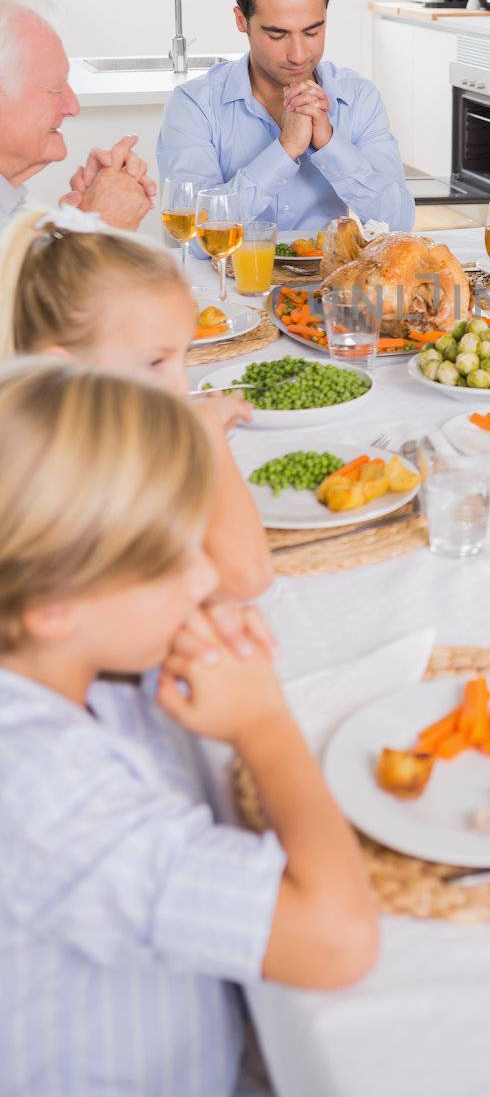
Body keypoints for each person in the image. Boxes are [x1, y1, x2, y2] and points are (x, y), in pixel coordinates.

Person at [0, 359, 378, 1096]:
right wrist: (263, 723)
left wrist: (173, 616)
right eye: (171, 561)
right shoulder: (45, 793)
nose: (205, 581)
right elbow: (338, 944)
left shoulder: (65, 657)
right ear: (52, 607)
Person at [0, 209, 272, 600]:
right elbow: (245, 575)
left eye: (184, 356)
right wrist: (207, 434)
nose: (181, 386)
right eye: (155, 362)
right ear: (63, 371)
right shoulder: (65, 481)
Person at [157, 0, 415, 233]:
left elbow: (399, 221)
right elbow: (193, 234)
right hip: (225, 277)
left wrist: (330, 144)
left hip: (324, 277)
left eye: (312, 32)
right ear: (242, 21)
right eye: (277, 35)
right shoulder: (194, 105)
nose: (298, 54)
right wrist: (286, 149)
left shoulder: (358, 97)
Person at [0, 0, 155, 233]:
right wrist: (99, 228)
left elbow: (24, 265)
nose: (73, 106)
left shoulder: (12, 207)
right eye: (55, 88)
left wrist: (80, 220)